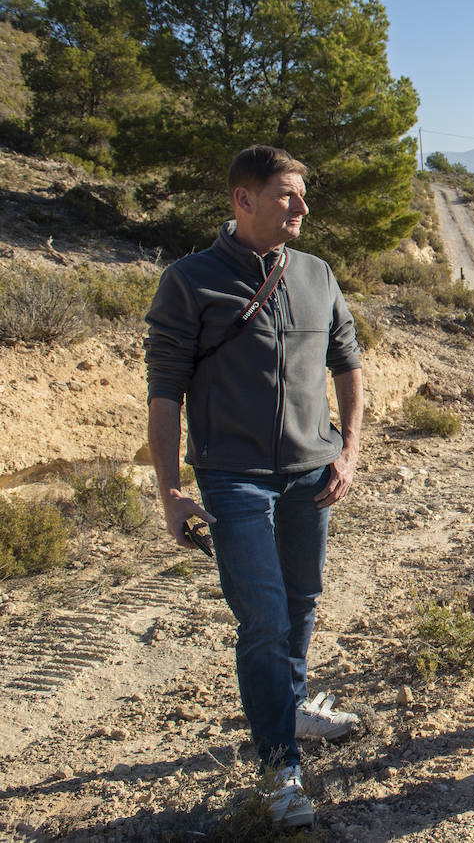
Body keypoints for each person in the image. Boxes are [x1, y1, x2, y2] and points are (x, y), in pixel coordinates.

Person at [145, 145, 364, 829]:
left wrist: (349, 451)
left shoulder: (319, 275)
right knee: (264, 614)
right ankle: (278, 766)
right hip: (232, 476)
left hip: (311, 471)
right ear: (243, 200)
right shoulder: (189, 281)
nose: (302, 207)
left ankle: (291, 702)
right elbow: (164, 396)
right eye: (286, 196)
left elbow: (348, 364)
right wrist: (170, 490)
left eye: (302, 195)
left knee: (302, 598)